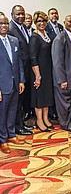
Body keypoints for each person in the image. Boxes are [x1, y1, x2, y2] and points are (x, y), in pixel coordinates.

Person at [0, 15, 25, 153]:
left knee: (12, 111)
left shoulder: (14, 40)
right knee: (2, 113)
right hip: (2, 85)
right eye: (1, 23)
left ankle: (11, 135)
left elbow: (19, 62)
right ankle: (2, 140)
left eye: (5, 23)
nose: (4, 26)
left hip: (15, 83)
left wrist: (21, 80)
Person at [8, 5, 33, 135]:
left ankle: (21, 124)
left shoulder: (22, 27)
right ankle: (17, 127)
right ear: (12, 14)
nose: (21, 16)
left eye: (22, 13)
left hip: (26, 70)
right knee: (16, 102)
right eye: (18, 14)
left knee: (21, 101)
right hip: (17, 71)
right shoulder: (11, 29)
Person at [29, 11, 54, 132]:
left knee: (46, 96)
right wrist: (37, 76)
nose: (41, 23)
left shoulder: (46, 34)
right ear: (35, 22)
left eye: (44, 21)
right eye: (39, 21)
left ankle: (45, 118)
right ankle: (39, 120)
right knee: (39, 97)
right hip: (38, 72)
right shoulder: (35, 37)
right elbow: (33, 58)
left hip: (47, 71)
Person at [46, 8, 64, 121]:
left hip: (60, 60)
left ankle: (58, 111)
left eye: (56, 13)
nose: (55, 15)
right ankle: (52, 112)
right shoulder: (46, 27)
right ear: (48, 16)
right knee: (51, 87)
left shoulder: (61, 27)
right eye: (52, 13)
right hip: (49, 60)